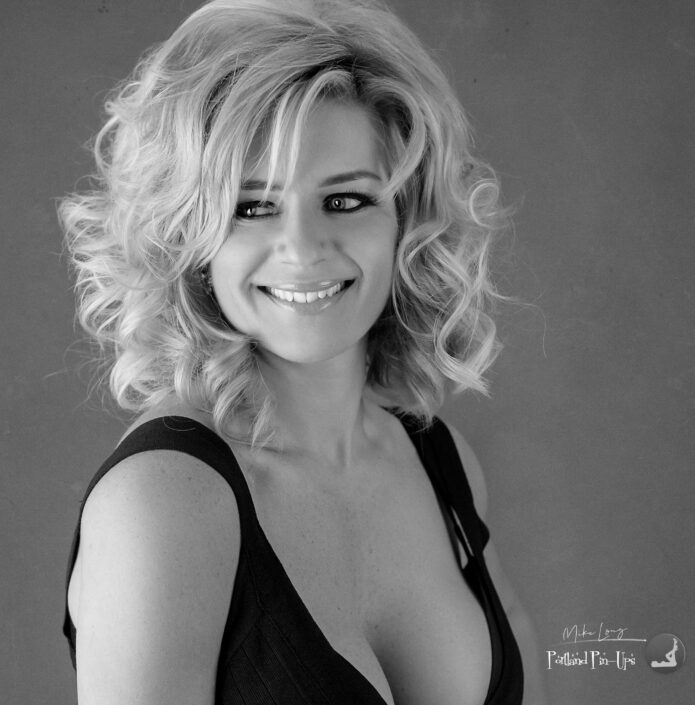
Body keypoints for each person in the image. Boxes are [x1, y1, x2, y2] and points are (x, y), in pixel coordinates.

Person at [60, 0, 544, 703]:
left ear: (407, 220)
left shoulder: (440, 460)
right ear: (187, 238)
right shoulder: (164, 501)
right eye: (251, 207)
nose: (302, 249)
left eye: (344, 200)